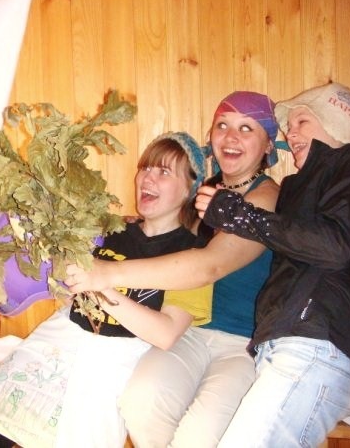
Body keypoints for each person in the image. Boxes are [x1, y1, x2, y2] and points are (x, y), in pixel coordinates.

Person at [0, 131, 212, 448]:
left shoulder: (195, 255)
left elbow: (166, 333)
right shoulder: (109, 228)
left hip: (109, 368)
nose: (147, 178)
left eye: (163, 171)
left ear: (190, 188)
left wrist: (101, 286)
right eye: (145, 168)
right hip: (56, 344)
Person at [66, 91, 282, 447]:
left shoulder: (266, 197)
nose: (231, 136)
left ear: (268, 145)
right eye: (223, 125)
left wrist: (107, 274)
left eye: (247, 128)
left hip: (241, 342)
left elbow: (210, 265)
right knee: (140, 401)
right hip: (190, 332)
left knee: (200, 434)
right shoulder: (204, 191)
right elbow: (170, 232)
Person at [195, 82, 350, 447]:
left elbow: (335, 248)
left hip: (317, 346)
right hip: (285, 346)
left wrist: (240, 214)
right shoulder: (301, 187)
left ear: (335, 124)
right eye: (289, 125)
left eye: (302, 122)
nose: (290, 134)